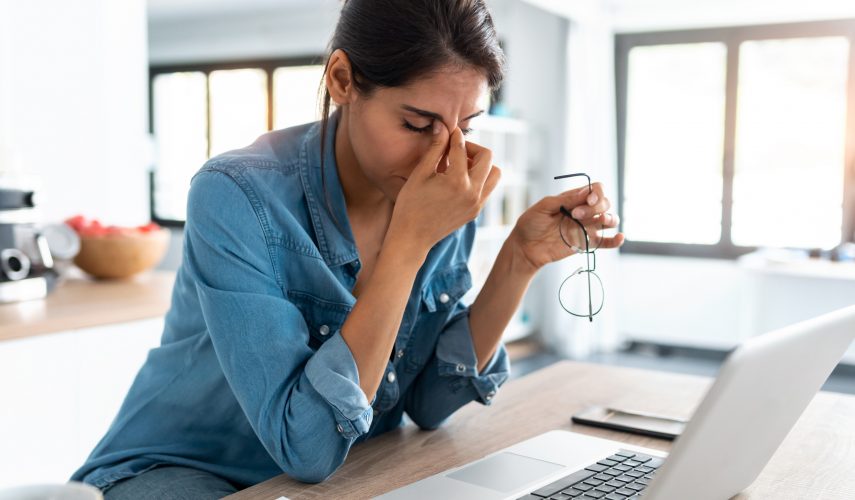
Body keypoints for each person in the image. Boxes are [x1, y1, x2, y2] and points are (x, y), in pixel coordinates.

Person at [70, 0, 623, 497]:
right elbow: (305, 447)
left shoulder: (438, 192)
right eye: (417, 122)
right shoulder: (236, 194)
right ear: (341, 79)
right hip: (180, 471)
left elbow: (430, 403)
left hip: (335, 476)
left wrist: (518, 260)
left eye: (467, 124)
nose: (446, 157)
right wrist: (409, 243)